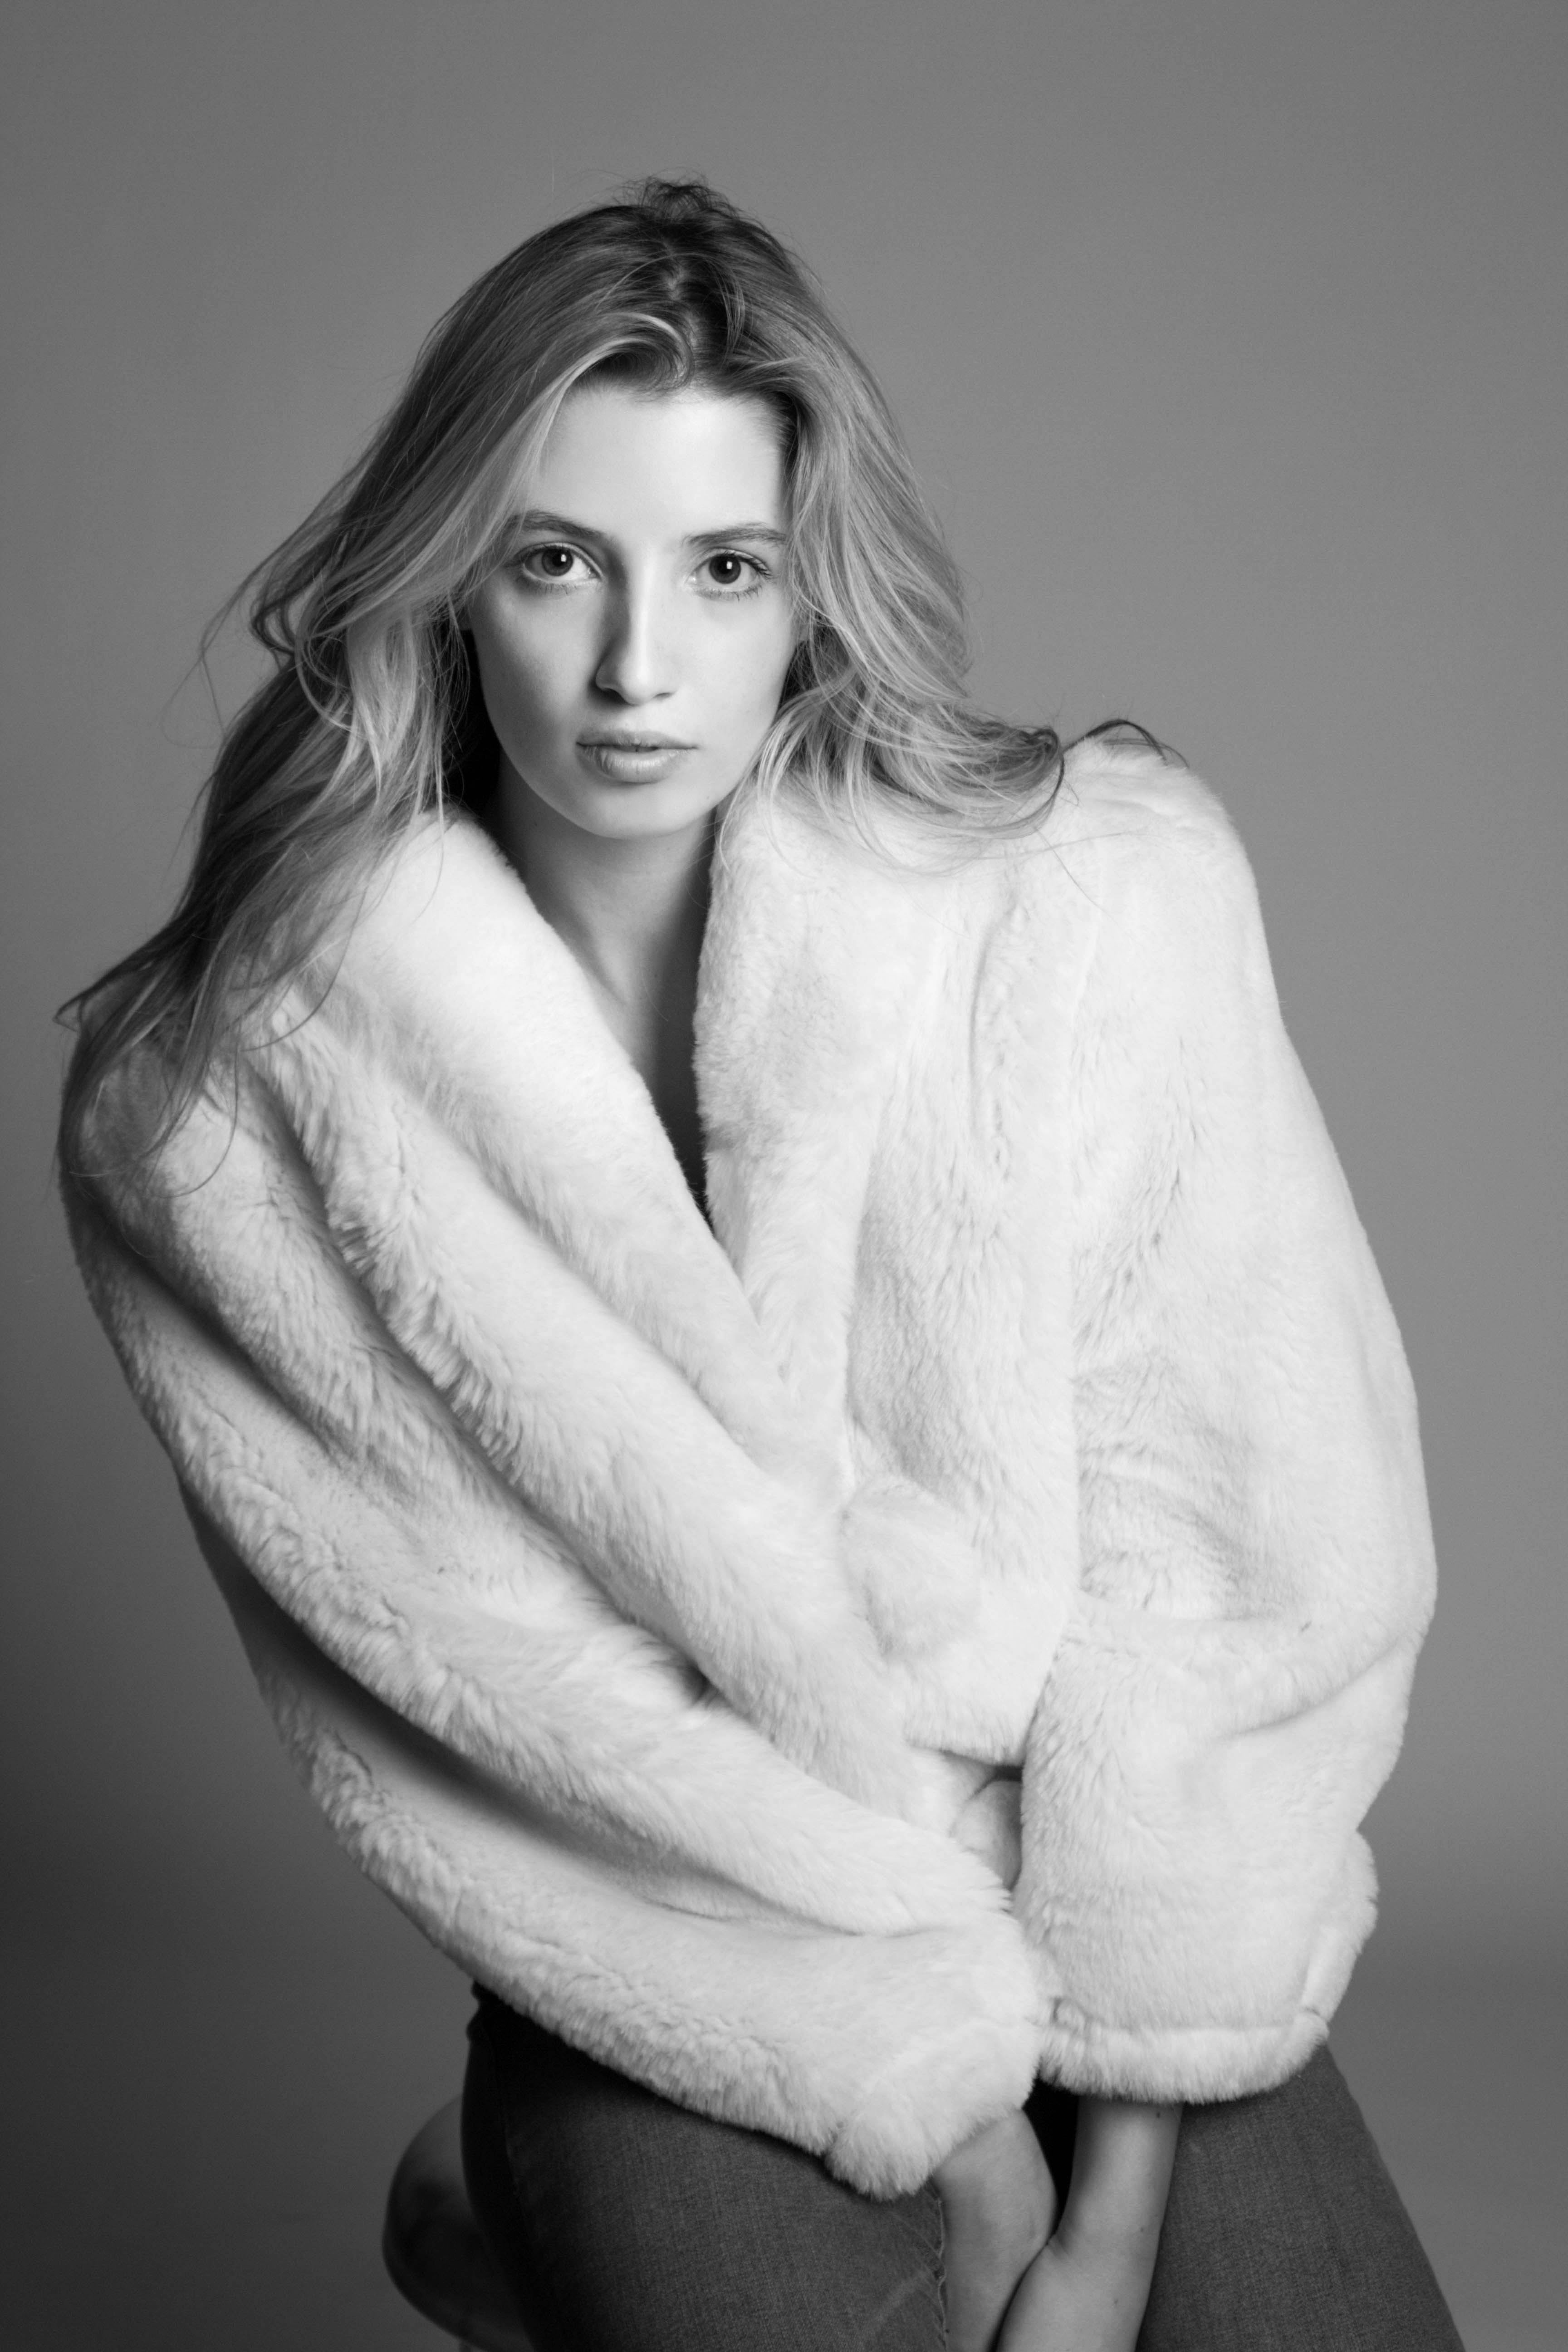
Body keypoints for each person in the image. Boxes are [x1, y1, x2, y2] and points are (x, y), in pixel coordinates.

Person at [59, 179, 1463, 2350]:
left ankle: (501, 2228)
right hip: (683, 1948)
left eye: (723, 572)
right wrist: (946, 2110)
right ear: (448, 581)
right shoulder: (233, 1117)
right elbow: (513, 1720)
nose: (640, 668)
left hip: (1117, 1901)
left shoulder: (1085, 909)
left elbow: (1240, 1564)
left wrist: (1108, 2194)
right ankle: (530, 2191)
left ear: (809, 594)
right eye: (556, 565)